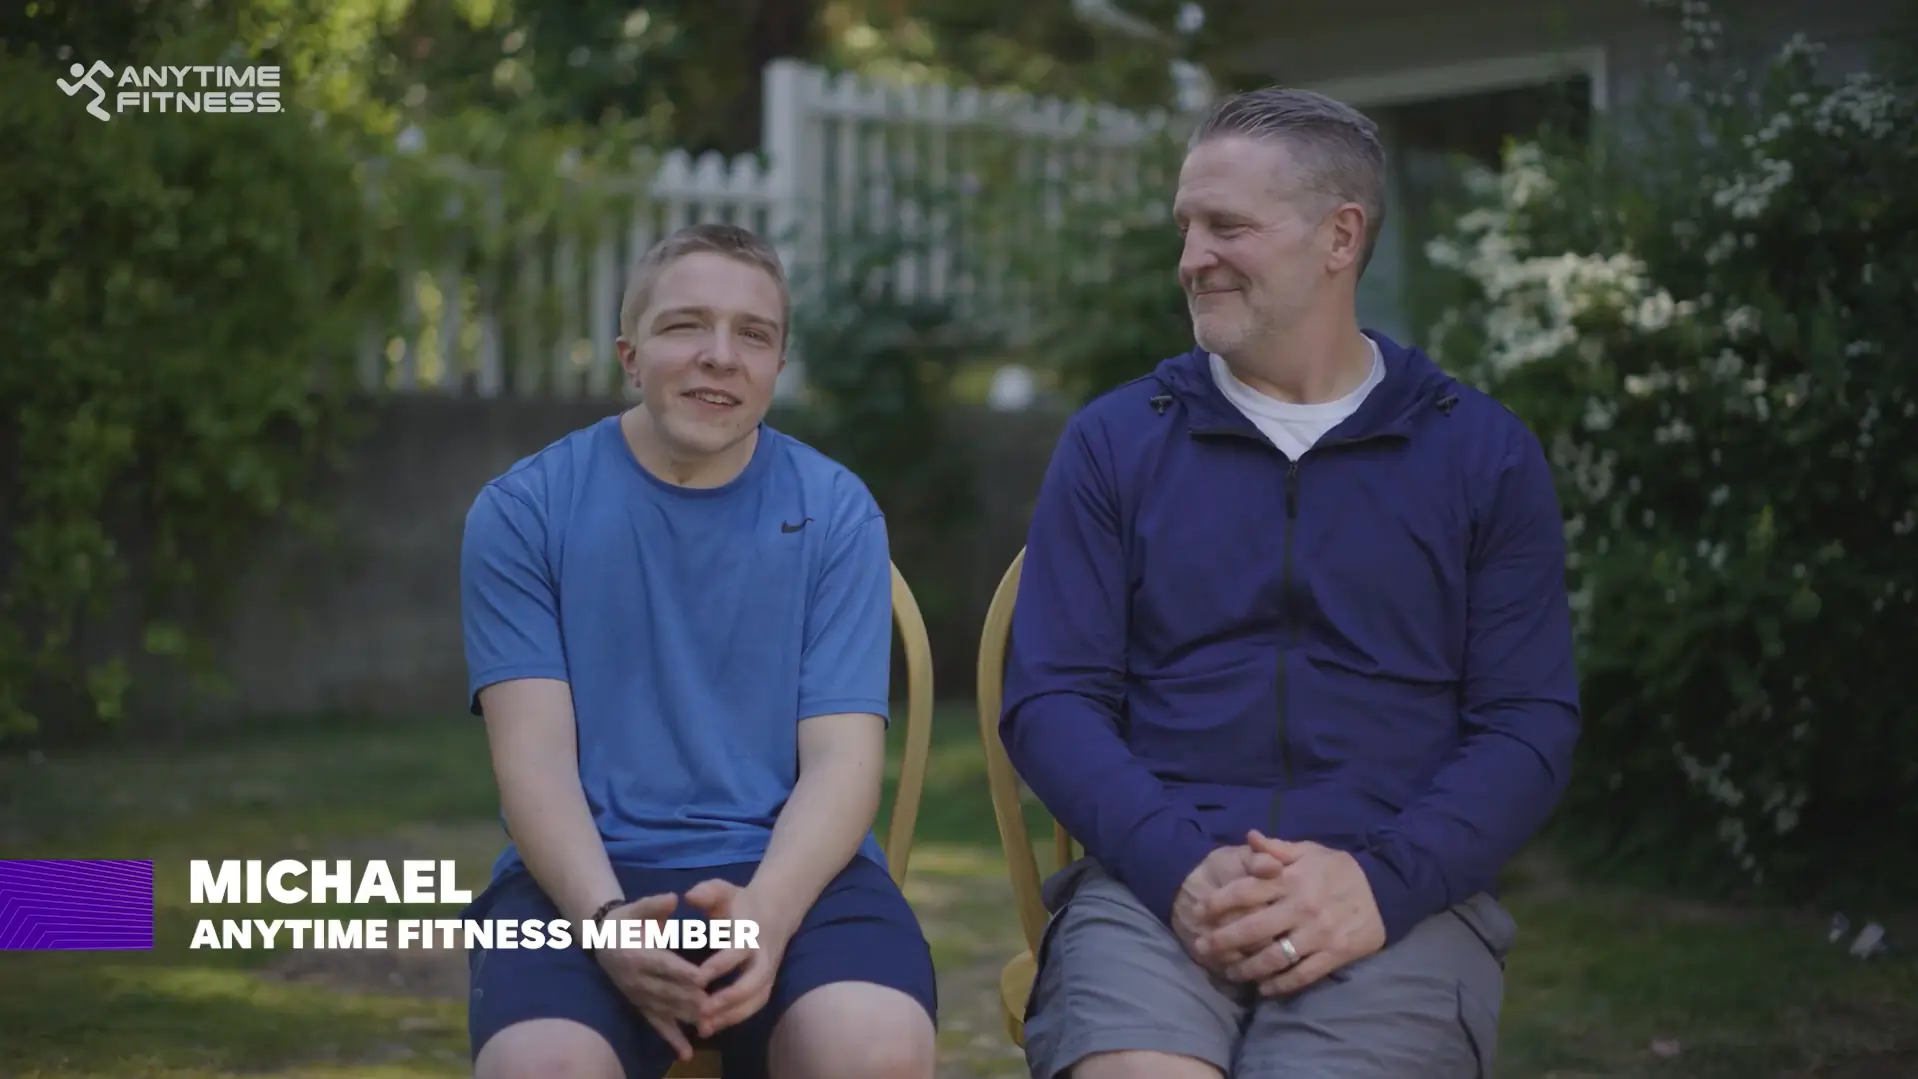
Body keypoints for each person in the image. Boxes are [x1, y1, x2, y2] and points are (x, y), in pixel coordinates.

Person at [1001, 86, 1582, 1079]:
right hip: (1154, 891)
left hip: (1396, 902)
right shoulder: (1116, 442)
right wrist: (1180, 866)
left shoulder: (1478, 456)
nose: (1191, 258)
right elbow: (1050, 697)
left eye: (1227, 225)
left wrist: (1377, 882)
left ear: (1338, 236)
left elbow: (1527, 722)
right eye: (1185, 226)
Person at [458, 222, 938, 1079]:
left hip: (795, 870)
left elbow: (842, 763)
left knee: (875, 1049)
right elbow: (533, 764)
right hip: (583, 876)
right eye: (687, 325)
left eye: (753, 334)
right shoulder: (524, 509)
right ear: (629, 354)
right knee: (541, 1068)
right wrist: (604, 922)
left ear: (778, 366)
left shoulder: (835, 509)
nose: (721, 355)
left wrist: (768, 913)